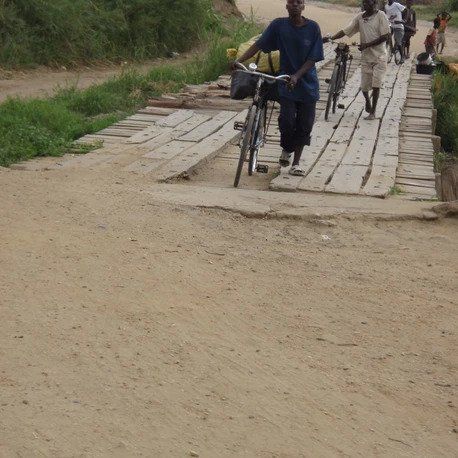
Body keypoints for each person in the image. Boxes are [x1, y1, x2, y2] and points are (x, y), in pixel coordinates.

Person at [232, 0, 324, 176]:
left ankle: (296, 163)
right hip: (285, 81)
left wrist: (297, 76)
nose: (295, 5)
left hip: (307, 84)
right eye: (291, 2)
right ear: (287, 6)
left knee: (305, 124)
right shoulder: (279, 26)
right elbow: (259, 44)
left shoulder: (313, 28)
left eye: (299, 2)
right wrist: (240, 60)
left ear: (303, 6)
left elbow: (313, 57)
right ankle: (287, 149)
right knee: (286, 121)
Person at [324, 0, 390, 120]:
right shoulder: (360, 17)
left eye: (368, 3)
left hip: (380, 55)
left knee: (376, 83)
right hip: (366, 56)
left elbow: (386, 36)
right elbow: (346, 30)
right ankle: (367, 101)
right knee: (364, 87)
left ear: (374, 3)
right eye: (363, 3)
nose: (365, 5)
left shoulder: (381, 16)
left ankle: (373, 112)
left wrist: (367, 44)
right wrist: (331, 38)